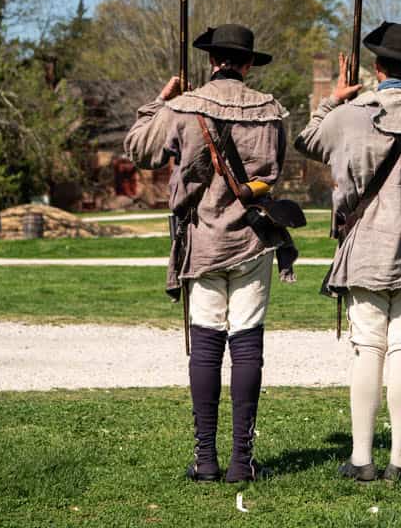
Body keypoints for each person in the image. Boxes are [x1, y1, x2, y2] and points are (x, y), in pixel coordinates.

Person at [124, 24, 291, 483]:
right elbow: (276, 170)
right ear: (249, 63)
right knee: (247, 344)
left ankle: (206, 459)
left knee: (206, 347)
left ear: (211, 61)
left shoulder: (183, 108)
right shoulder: (273, 112)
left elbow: (139, 149)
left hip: (202, 241)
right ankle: (241, 461)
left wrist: (160, 102)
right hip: (254, 240)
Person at [295, 22, 401, 483]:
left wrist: (333, 99)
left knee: (368, 347)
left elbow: (306, 140)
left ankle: (362, 457)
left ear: (376, 66)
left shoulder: (346, 116)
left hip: (363, 244)